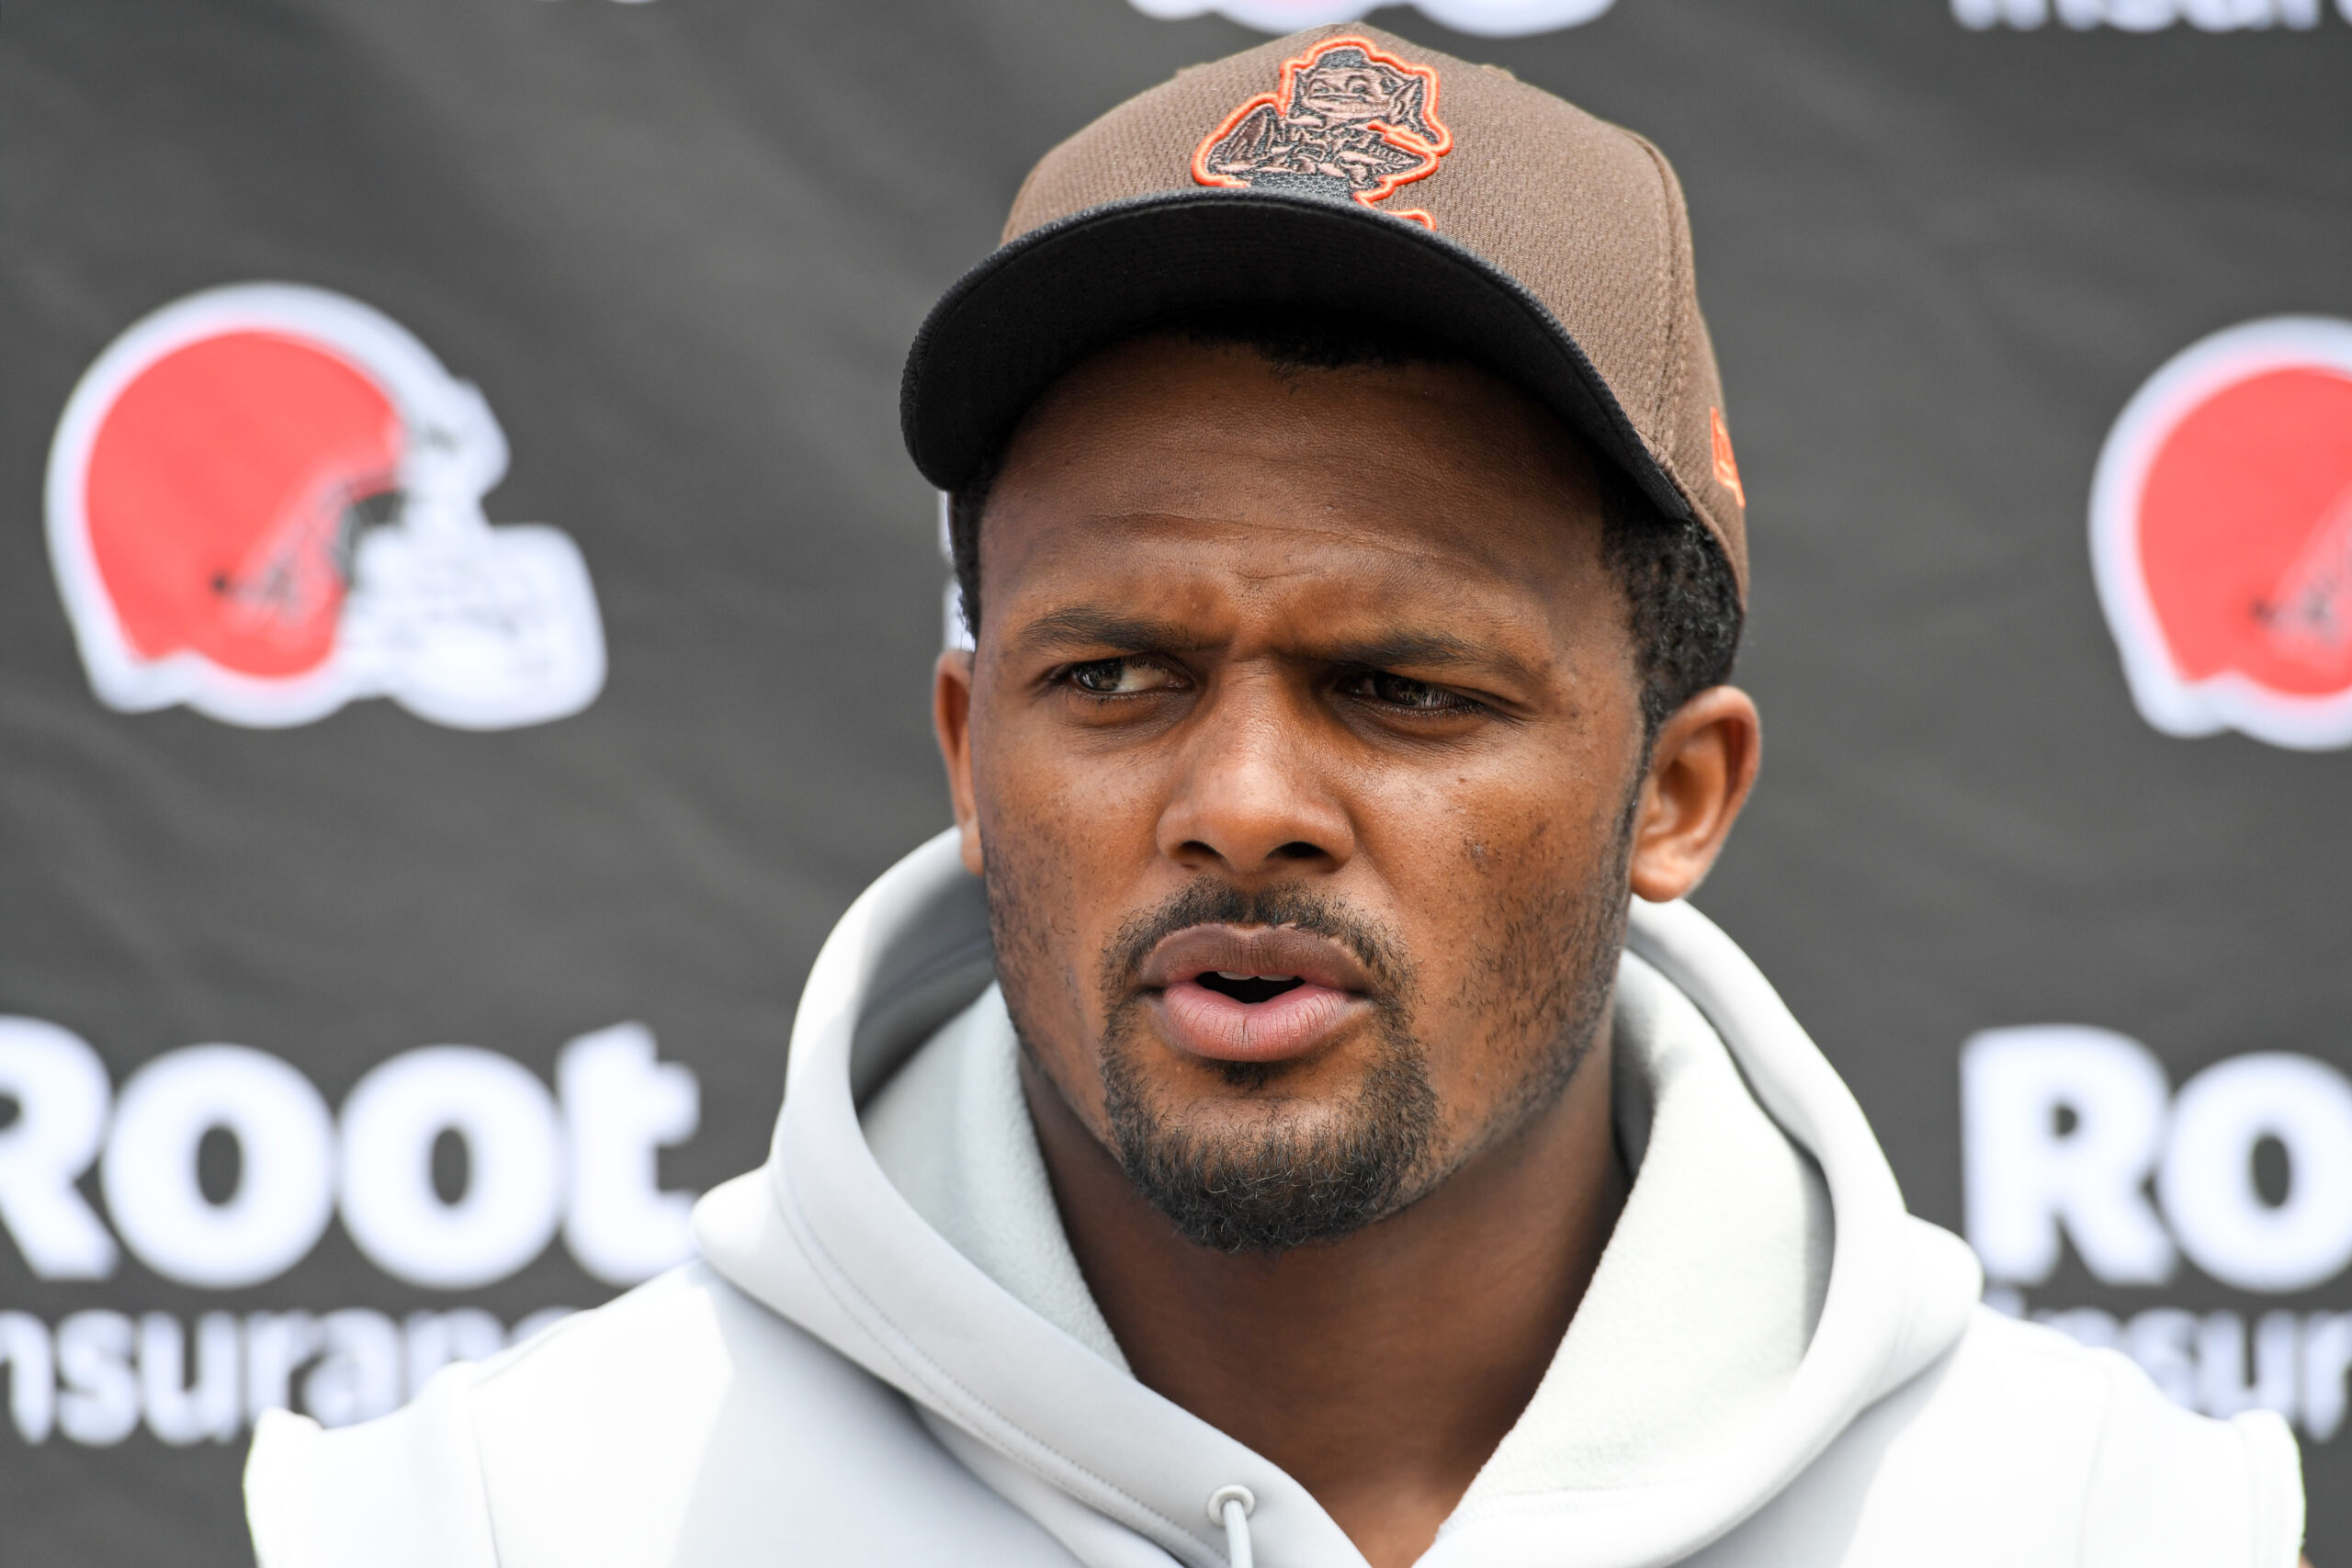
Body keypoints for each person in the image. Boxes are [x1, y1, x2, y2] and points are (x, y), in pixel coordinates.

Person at [243, 24, 2307, 1568]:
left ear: (1674, 792)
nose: (1241, 803)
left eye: (1399, 688)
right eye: (1114, 676)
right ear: (969, 750)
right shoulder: (493, 1515)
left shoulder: (2103, 1517)